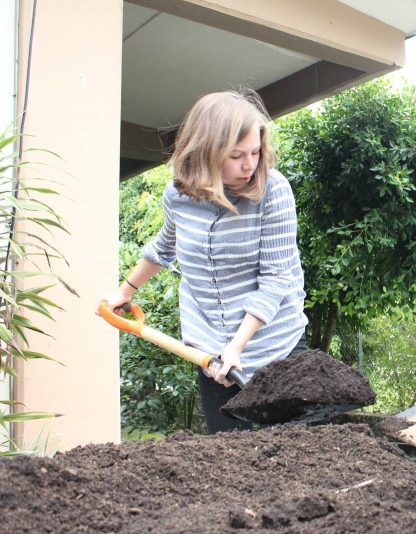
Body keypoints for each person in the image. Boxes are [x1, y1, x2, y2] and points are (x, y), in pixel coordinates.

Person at [101, 89, 308, 433]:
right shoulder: (179, 195)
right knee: (228, 461)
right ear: (206, 152)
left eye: (255, 151)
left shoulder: (274, 190)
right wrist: (125, 291)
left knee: (292, 458)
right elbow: (164, 246)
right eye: (236, 155)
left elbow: (276, 278)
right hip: (213, 352)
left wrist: (237, 346)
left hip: (276, 346)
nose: (249, 165)